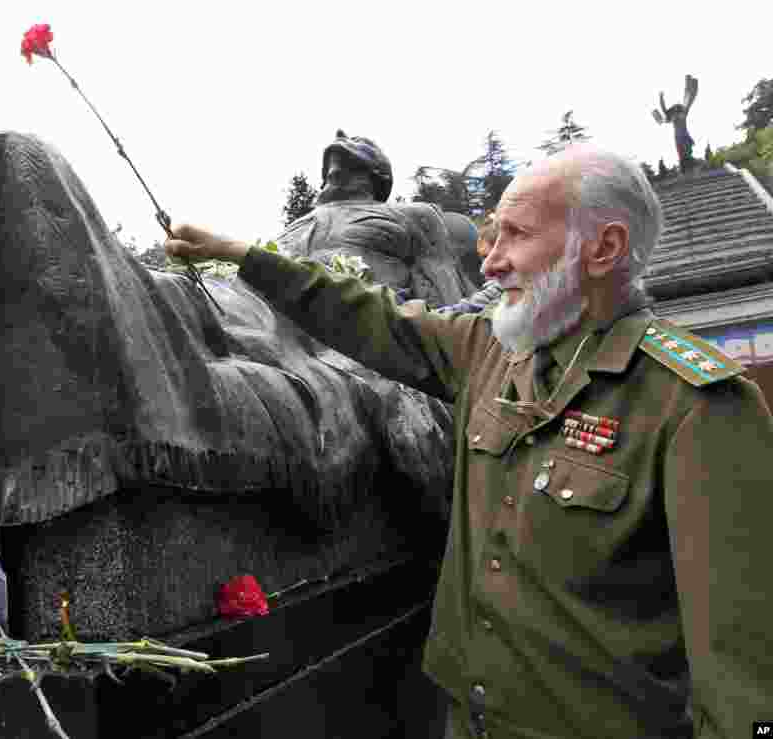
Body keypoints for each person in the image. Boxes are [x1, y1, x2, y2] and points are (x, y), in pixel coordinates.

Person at [165, 143, 773, 738]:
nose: (490, 262)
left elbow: (746, 670)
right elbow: (364, 313)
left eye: (517, 234)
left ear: (603, 248)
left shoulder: (696, 407)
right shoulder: (491, 350)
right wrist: (242, 256)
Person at [275, 130, 478, 308]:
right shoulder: (299, 224)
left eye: (359, 142)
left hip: (360, 331)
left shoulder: (414, 215)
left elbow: (445, 284)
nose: (340, 134)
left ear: (380, 172)